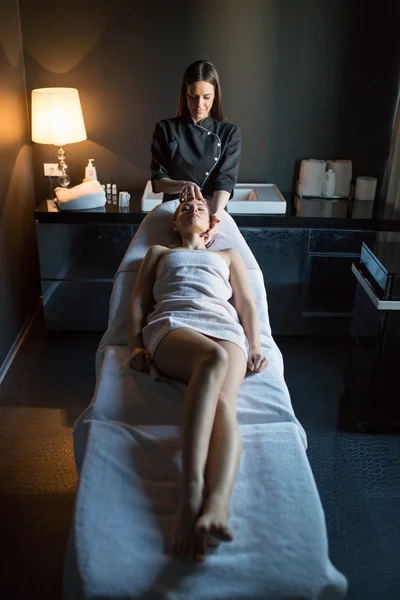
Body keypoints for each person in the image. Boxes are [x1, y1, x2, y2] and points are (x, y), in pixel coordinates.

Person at [128, 197, 268, 563]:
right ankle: (191, 494)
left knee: (224, 401)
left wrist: (254, 344)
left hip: (225, 329)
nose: (192, 209)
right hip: (174, 326)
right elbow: (139, 303)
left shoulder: (228, 255)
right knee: (213, 360)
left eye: (201, 208)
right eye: (185, 208)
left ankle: (218, 504)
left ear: (211, 226)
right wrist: (133, 345)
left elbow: (247, 305)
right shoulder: (158, 252)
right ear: (174, 224)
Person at [150, 60, 242, 240]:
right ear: (185, 94)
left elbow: (225, 182)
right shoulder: (165, 129)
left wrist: (214, 217)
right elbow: (158, 182)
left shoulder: (229, 133)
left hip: (213, 213)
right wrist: (184, 185)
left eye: (206, 97)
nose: (199, 104)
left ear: (215, 95)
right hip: (175, 214)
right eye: (193, 96)